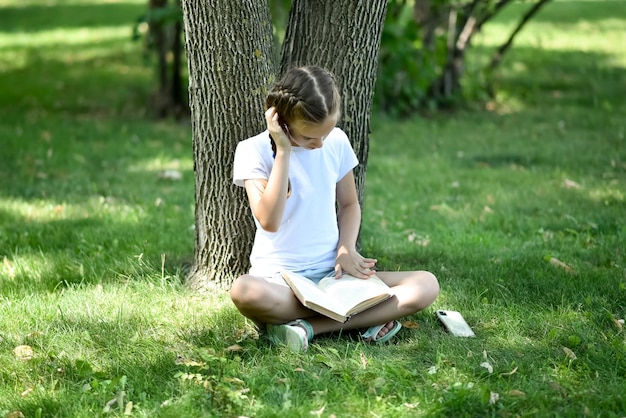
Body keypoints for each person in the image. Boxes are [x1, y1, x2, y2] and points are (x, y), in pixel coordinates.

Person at [230, 65, 439, 351]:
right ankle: (364, 317)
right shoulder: (252, 150)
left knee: (426, 285)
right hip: (281, 282)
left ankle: (308, 328)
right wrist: (284, 151)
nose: (318, 145)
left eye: (324, 136)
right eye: (307, 138)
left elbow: (349, 204)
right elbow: (269, 221)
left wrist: (345, 250)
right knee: (244, 291)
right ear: (281, 122)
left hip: (335, 276)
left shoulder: (337, 141)